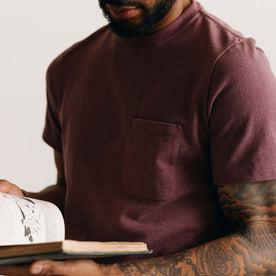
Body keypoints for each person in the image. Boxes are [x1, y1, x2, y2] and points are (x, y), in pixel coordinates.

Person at [0, 0, 276, 274]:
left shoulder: (232, 68)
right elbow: (74, 195)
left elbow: (267, 243)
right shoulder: (67, 69)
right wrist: (22, 202)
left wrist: (108, 274)